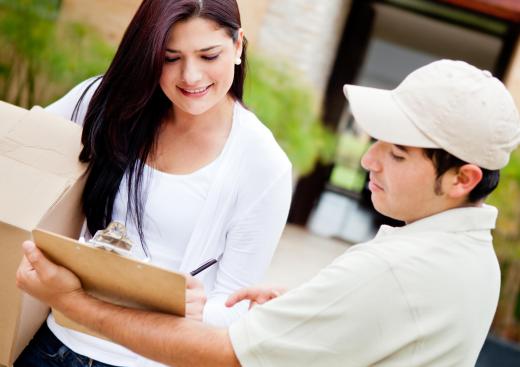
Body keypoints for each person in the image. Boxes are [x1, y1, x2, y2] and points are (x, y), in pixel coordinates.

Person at [17, 59, 520, 367]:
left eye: (397, 153)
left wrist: (76, 305)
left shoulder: (392, 271)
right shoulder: (474, 260)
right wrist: (320, 311)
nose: (369, 160)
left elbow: (223, 358)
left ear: (463, 178)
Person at [14, 0, 292, 366]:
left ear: (238, 46)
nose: (190, 76)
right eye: (170, 58)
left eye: (209, 56)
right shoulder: (106, 101)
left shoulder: (263, 165)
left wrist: (188, 307)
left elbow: (231, 310)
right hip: (52, 345)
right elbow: (17, 156)